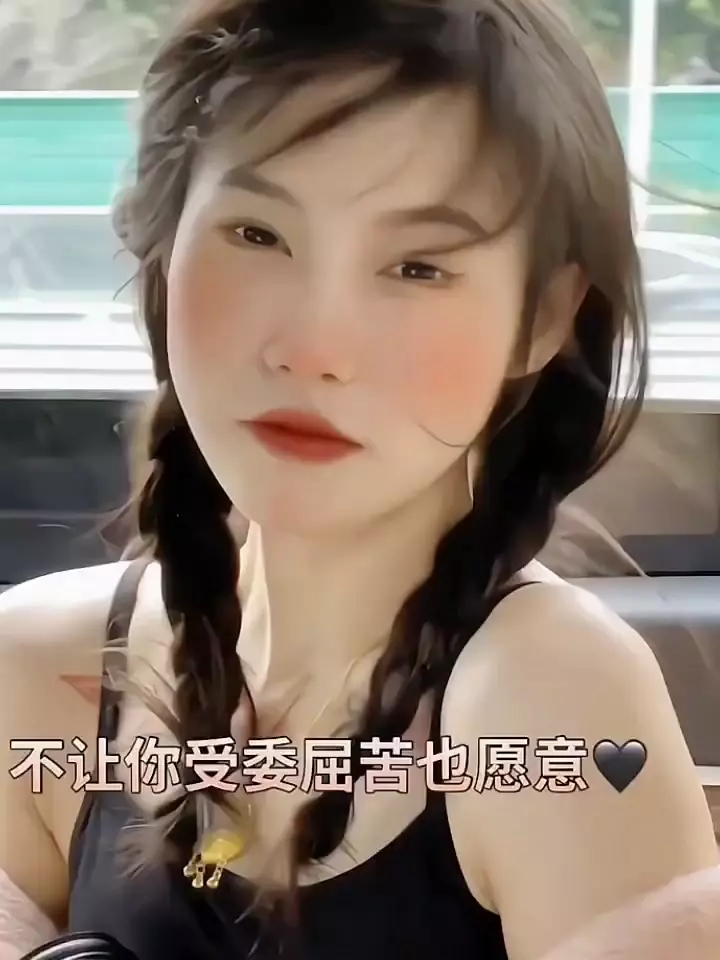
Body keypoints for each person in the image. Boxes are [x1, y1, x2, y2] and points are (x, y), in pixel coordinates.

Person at [1, 1, 718, 958]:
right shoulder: (40, 669)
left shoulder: (549, 698)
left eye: (418, 267)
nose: (314, 349)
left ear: (544, 318)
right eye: (258, 234)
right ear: (167, 246)